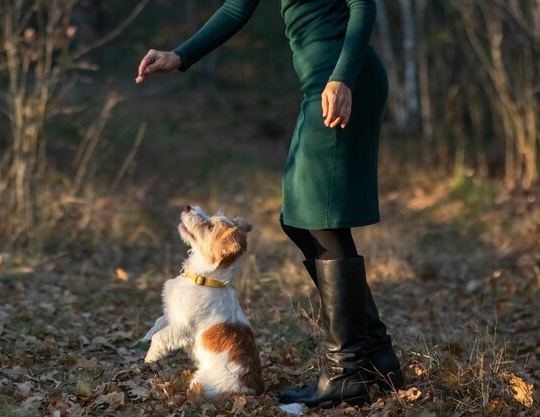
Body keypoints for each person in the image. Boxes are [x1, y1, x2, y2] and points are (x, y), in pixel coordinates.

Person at [136, 0, 404, 408]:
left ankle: (349, 370)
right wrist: (180, 55)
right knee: (299, 221)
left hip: (340, 84)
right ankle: (377, 360)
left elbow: (362, 6)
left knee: (323, 221)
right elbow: (237, 7)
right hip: (321, 85)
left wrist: (342, 78)